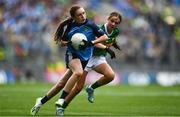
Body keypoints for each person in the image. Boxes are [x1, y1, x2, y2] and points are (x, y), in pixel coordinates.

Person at [30, 5, 114, 116]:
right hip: (72, 55)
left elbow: (104, 37)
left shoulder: (91, 24)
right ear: (74, 17)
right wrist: (69, 43)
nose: (83, 16)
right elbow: (62, 43)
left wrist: (93, 44)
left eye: (83, 13)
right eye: (79, 15)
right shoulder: (70, 26)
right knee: (78, 72)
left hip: (85, 58)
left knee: (60, 84)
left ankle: (40, 102)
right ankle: (62, 99)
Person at [56, 11, 122, 116]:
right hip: (87, 56)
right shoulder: (99, 28)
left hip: (99, 58)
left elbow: (111, 39)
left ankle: (91, 88)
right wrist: (107, 49)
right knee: (78, 88)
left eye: (116, 22)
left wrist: (115, 44)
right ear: (108, 19)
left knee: (110, 76)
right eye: (112, 21)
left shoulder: (116, 31)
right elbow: (93, 43)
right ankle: (62, 107)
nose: (113, 24)